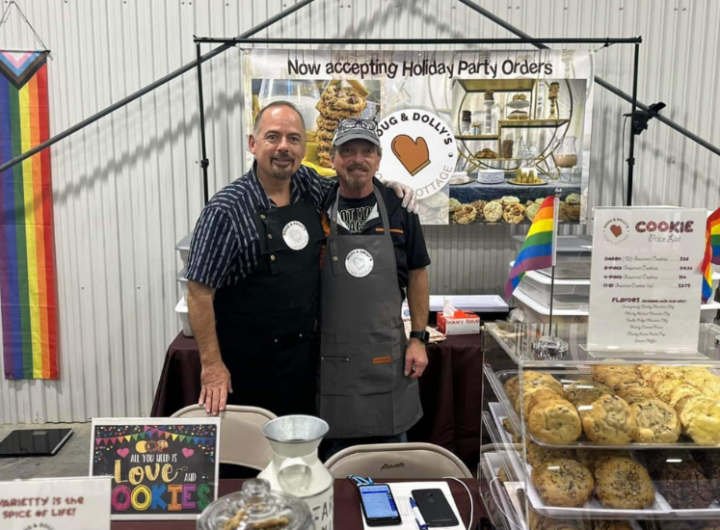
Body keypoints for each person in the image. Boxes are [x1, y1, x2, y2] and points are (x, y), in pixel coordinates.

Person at [185, 102, 415, 417]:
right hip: (247, 366)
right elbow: (199, 291)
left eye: (293, 139)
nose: (283, 147)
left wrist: (387, 185)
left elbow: (349, 180)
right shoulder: (226, 209)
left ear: (302, 148)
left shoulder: (307, 185)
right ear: (253, 144)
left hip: (302, 362)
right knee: (252, 460)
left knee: (298, 457)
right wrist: (212, 365)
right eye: (273, 137)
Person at [318, 118, 431, 459]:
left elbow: (417, 273)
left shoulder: (399, 207)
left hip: (388, 354)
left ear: (379, 159)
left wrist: (419, 338)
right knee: (334, 470)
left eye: (367, 151)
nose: (358, 159)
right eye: (348, 151)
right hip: (331, 358)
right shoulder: (316, 204)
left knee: (394, 465)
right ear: (333, 159)